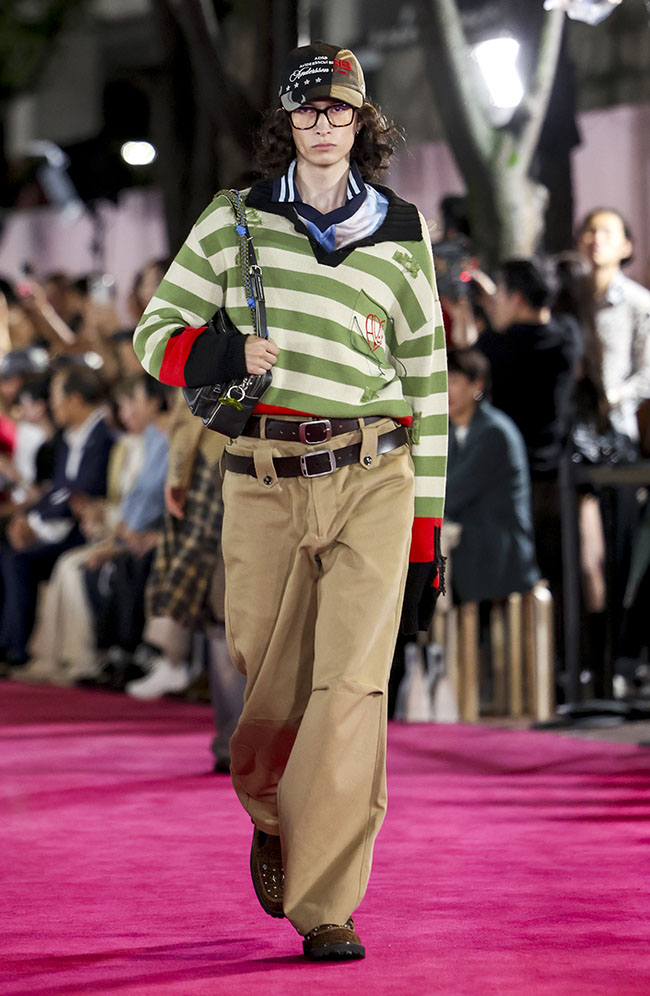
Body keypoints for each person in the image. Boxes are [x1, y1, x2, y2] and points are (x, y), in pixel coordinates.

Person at [133, 42, 447, 962]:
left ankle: (327, 901)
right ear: (288, 120)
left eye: (339, 108)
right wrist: (222, 353)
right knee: (264, 679)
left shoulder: (403, 229)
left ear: (362, 122)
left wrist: (426, 531)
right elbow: (154, 334)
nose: (323, 123)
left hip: (376, 473)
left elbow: (426, 382)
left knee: (351, 687)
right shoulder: (234, 221)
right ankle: (273, 810)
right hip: (263, 478)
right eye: (308, 109)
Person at [0, 364, 114, 667]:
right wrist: (29, 519)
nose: (52, 404)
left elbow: (82, 492)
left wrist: (35, 522)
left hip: (84, 529)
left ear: (74, 399)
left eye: (55, 397)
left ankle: (17, 649)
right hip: (57, 525)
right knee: (8, 551)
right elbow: (59, 490)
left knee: (18, 560)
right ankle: (9, 645)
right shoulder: (67, 438)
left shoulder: (104, 438)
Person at [444, 348, 539, 603]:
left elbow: (451, 494)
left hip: (498, 555)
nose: (446, 390)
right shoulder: (452, 431)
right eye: (442, 380)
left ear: (477, 385)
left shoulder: (494, 432)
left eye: (454, 381)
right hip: (471, 551)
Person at [576, 208, 650, 446]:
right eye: (590, 231)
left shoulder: (639, 303)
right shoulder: (567, 300)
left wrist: (612, 398)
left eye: (607, 233)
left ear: (626, 247)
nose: (596, 239)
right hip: (570, 429)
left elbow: (647, 372)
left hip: (616, 431)